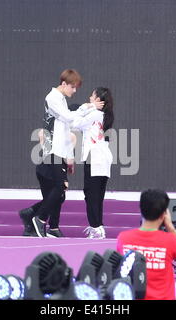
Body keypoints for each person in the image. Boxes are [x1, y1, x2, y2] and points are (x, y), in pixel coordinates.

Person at [19, 69, 103, 238]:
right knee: (60, 187)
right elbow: (68, 118)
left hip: (58, 150)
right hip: (53, 149)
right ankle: (40, 219)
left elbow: (67, 124)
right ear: (64, 84)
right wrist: (91, 106)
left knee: (58, 192)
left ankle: (37, 217)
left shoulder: (60, 99)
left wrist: (68, 158)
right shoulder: (53, 98)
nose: (74, 91)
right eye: (73, 87)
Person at [116, 189, 176, 300]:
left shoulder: (124, 238)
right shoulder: (170, 240)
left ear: (141, 209)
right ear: (164, 214)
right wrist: (170, 226)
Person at [70, 87, 114, 239]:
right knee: (97, 195)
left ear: (98, 100)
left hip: (94, 157)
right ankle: (98, 226)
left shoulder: (94, 113)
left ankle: (95, 227)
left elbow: (74, 122)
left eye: (92, 96)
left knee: (90, 194)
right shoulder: (103, 115)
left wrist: (88, 106)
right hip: (103, 157)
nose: (89, 97)